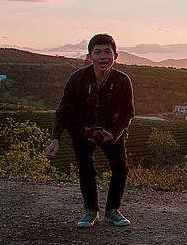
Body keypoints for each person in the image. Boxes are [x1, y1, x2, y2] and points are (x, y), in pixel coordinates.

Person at [44, 34, 135, 228]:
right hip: (81, 131)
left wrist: (115, 132)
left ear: (115, 55)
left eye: (107, 52)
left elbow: (128, 112)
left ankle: (112, 210)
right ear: (89, 56)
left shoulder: (123, 81)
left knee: (120, 168)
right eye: (98, 52)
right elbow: (64, 110)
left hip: (111, 131)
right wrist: (55, 139)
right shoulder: (77, 79)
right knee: (86, 170)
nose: (103, 56)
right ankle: (91, 211)